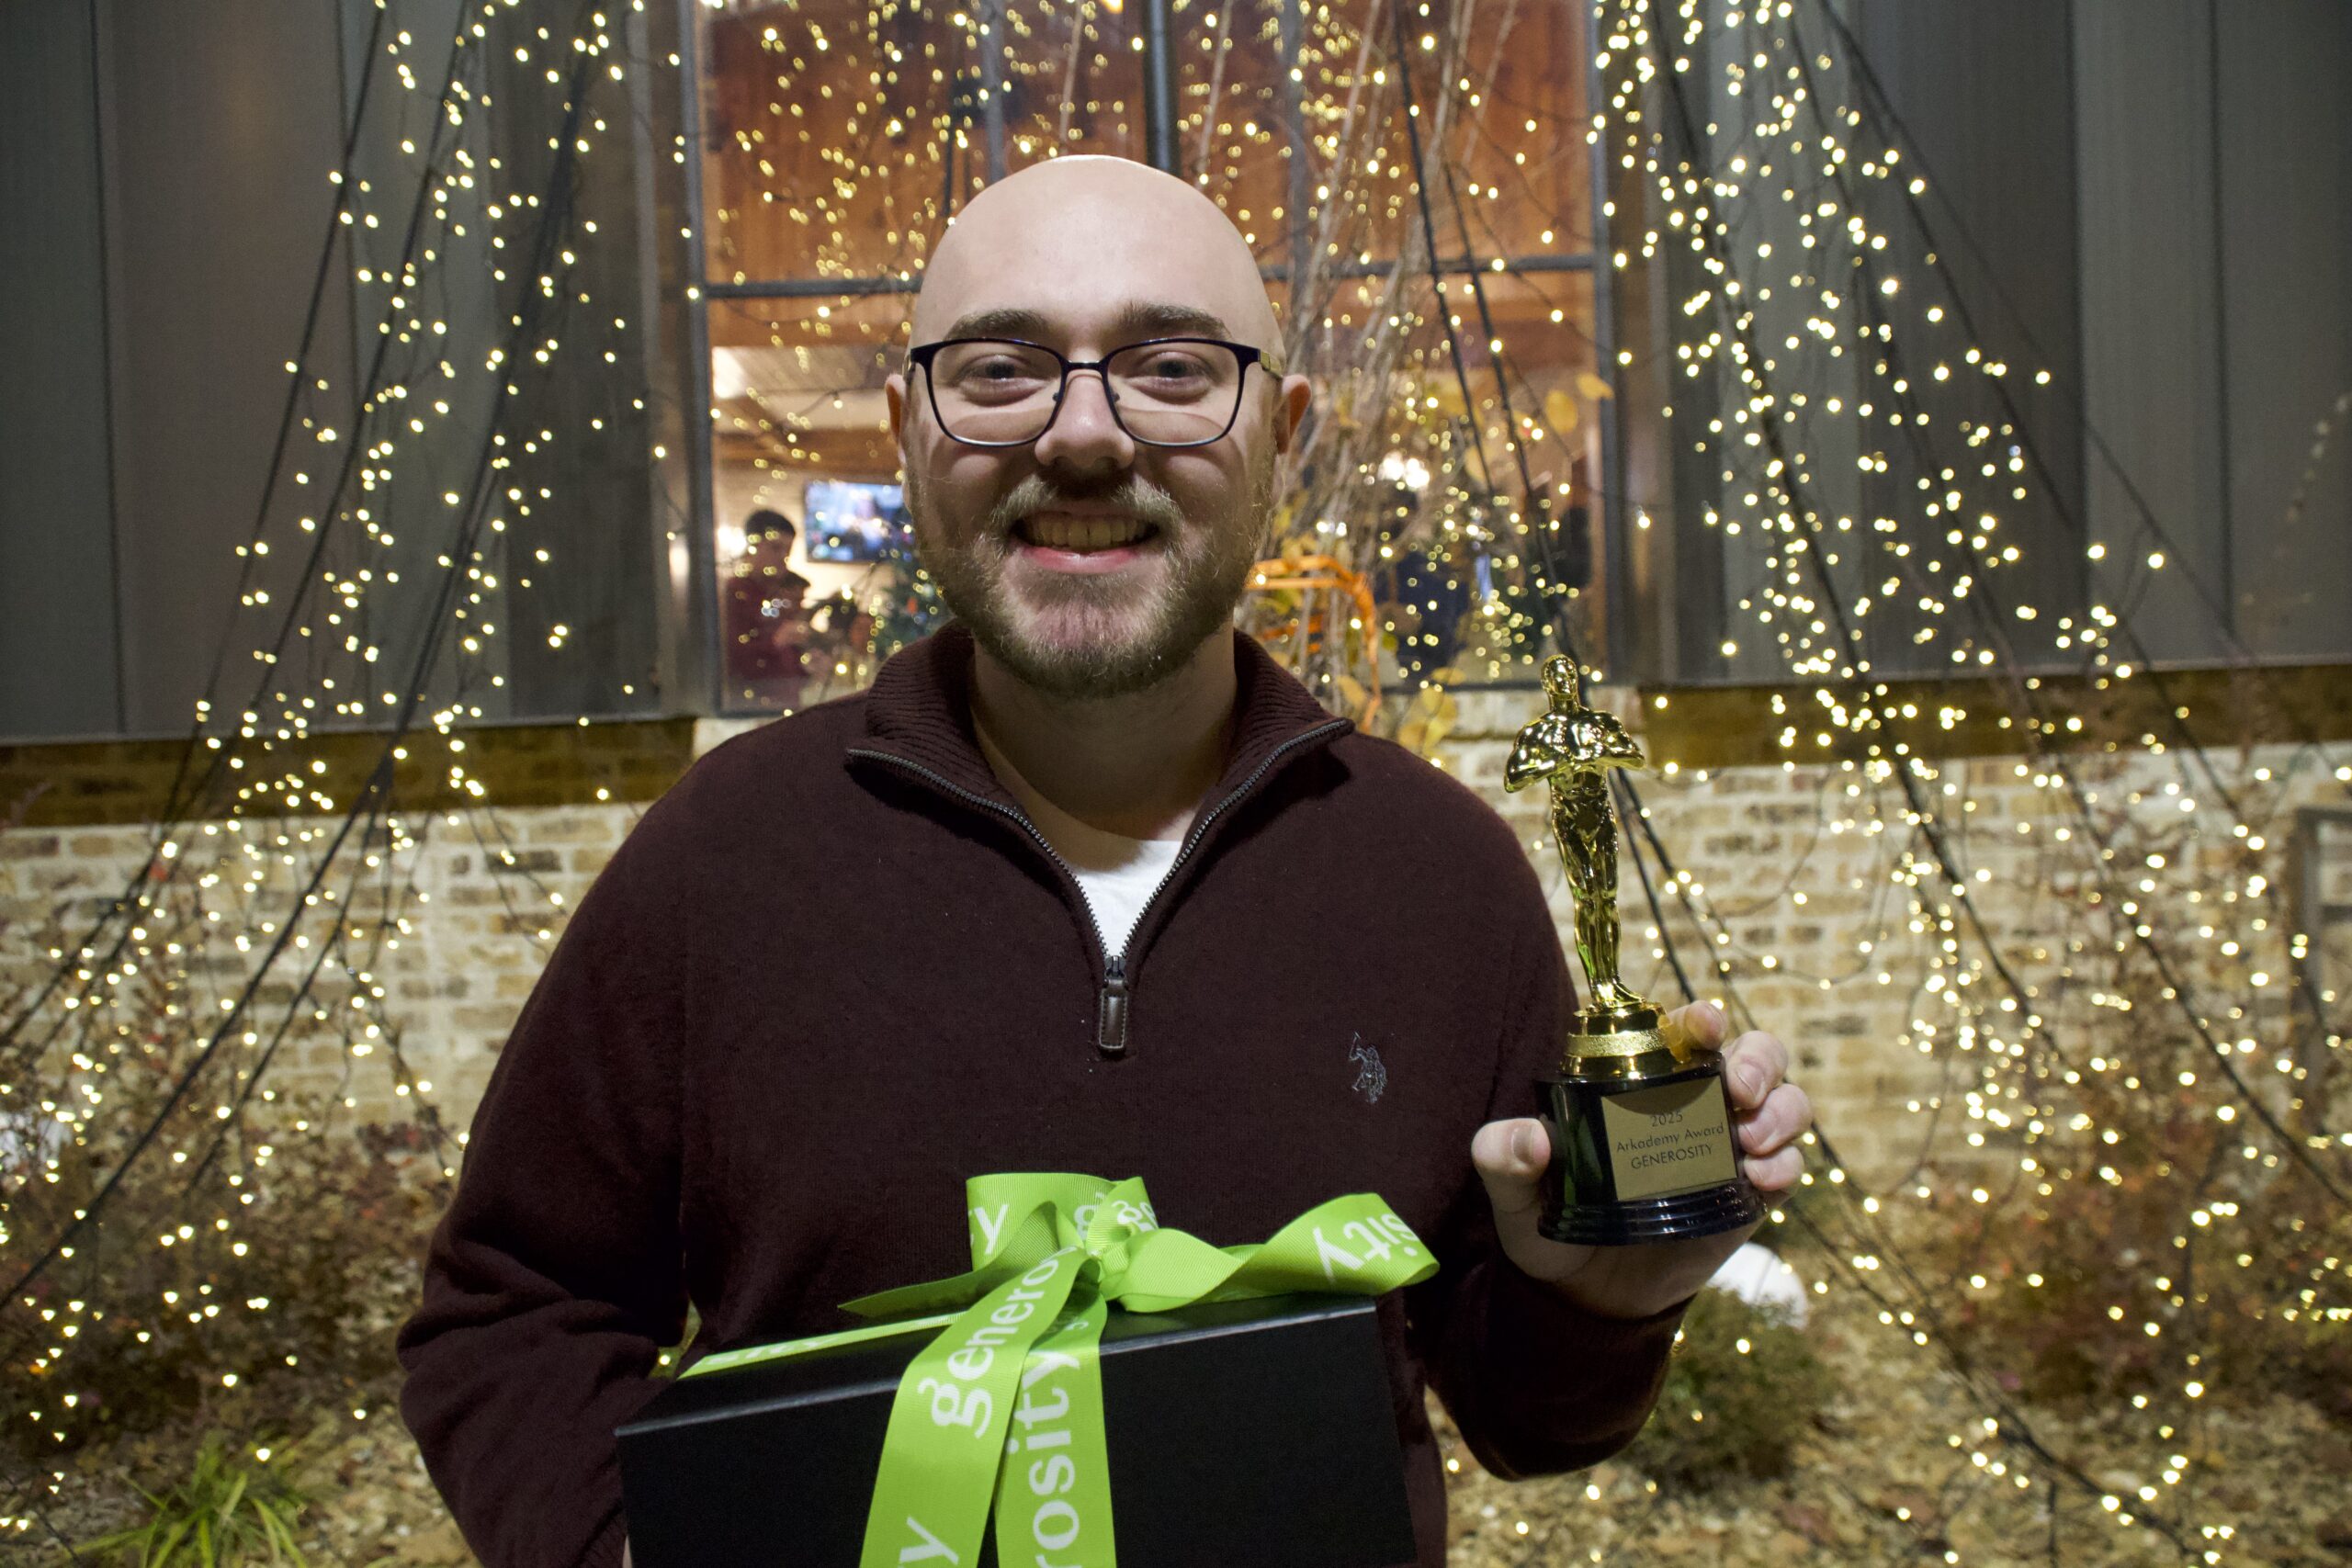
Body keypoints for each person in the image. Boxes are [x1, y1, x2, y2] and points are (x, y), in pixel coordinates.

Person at [396, 155, 1814, 1568]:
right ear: (906, 427)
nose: (1082, 436)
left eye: (1173, 367)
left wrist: (1606, 1297)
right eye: (1003, 369)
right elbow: (512, 1304)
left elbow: (1526, 1419)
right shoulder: (724, 857)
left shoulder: (1438, 877)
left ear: (1282, 429)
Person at [718, 509, 813, 705]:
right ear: (752, 546)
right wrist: (777, 641)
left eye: (787, 551)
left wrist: (807, 667)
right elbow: (734, 660)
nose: (783, 558)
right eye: (775, 548)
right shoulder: (734, 594)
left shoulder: (778, 596)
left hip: (783, 709)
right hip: (750, 710)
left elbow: (784, 665)